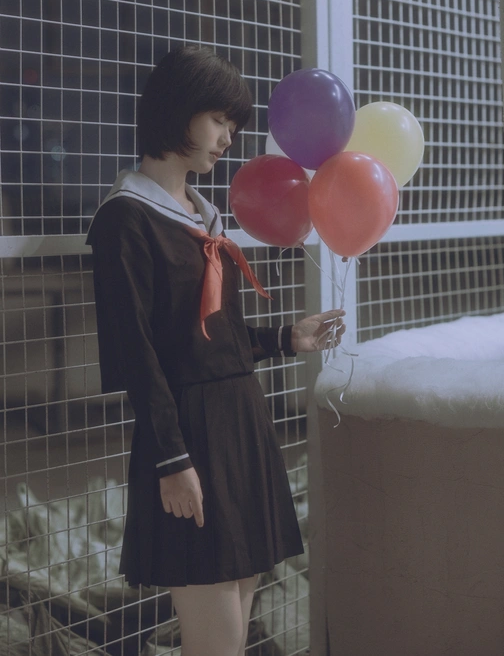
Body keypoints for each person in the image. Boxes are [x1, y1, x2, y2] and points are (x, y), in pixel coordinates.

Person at [86, 45, 345, 656]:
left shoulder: (203, 217)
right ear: (177, 112)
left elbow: (212, 339)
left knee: (241, 602)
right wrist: (171, 461)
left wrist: (285, 338)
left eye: (233, 124)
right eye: (219, 121)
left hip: (241, 421)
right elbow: (139, 356)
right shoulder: (126, 219)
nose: (229, 138)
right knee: (217, 635)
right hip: (187, 434)